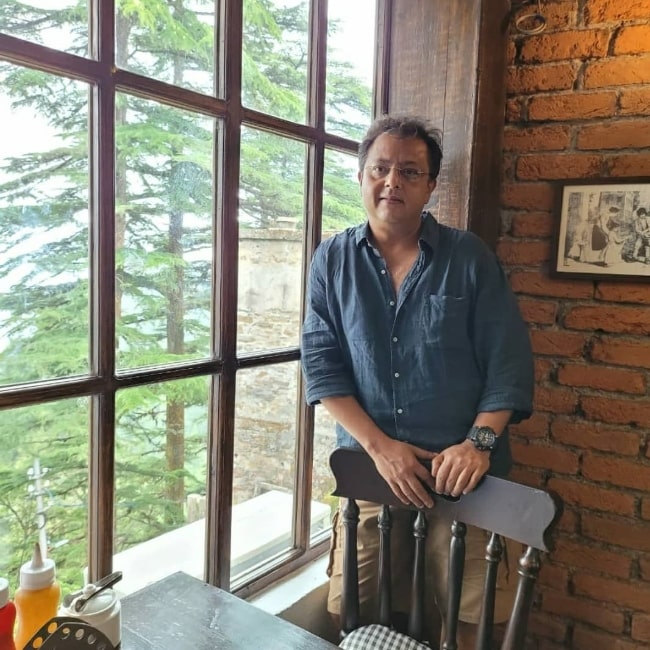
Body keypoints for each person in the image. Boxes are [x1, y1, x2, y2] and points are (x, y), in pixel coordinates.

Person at [301, 115, 534, 649]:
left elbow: (509, 365)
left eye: (409, 171)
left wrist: (478, 445)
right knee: (355, 614)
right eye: (380, 169)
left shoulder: (468, 257)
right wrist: (381, 449)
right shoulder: (332, 260)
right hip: (373, 475)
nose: (392, 182)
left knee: (477, 625)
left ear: (430, 185)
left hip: (468, 479)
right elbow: (321, 364)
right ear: (361, 176)